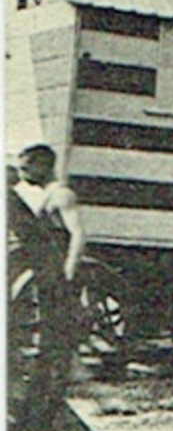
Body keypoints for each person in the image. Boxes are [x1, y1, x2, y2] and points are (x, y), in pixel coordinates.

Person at [11, 145, 85, 414]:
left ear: (44, 167)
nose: (23, 175)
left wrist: (69, 271)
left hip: (58, 269)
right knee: (49, 330)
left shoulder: (62, 195)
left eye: (27, 168)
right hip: (45, 268)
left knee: (57, 331)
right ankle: (45, 387)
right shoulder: (40, 194)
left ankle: (54, 390)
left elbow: (77, 235)